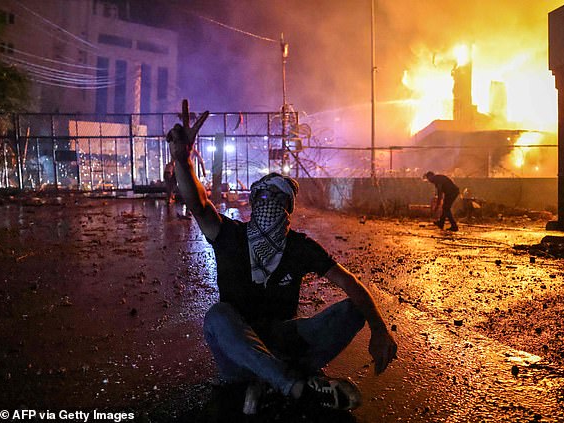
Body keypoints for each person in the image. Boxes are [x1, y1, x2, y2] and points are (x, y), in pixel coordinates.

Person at [166, 100, 397, 414]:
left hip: (287, 344)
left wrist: (379, 329)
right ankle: (296, 385)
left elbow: (350, 283)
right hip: (240, 354)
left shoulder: (299, 247)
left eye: (278, 198)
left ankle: (270, 383)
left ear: (289, 208)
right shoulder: (229, 235)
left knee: (356, 308)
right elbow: (199, 204)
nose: (269, 203)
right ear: (254, 202)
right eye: (263, 195)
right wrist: (183, 161)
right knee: (218, 316)